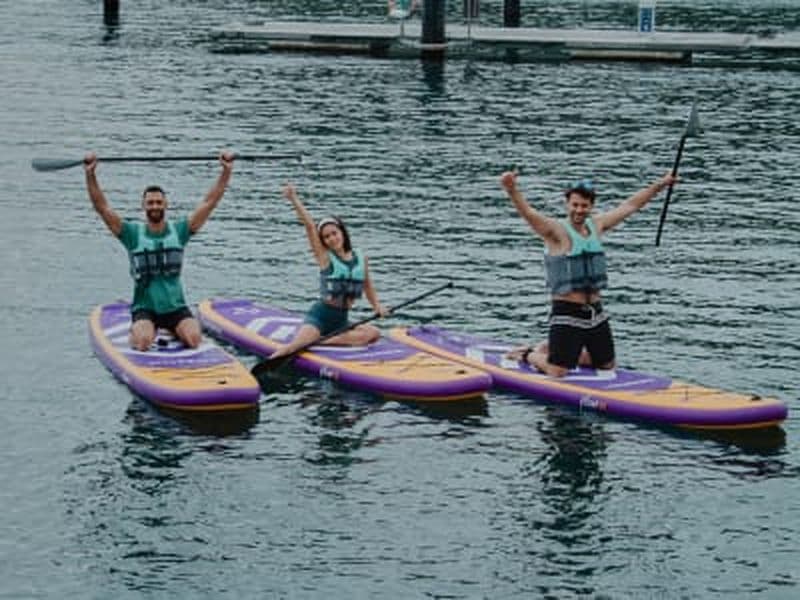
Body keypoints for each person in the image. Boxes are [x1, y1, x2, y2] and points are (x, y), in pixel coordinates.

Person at [499, 169, 678, 377]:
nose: (579, 210)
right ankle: (527, 353)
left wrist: (662, 184)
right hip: (566, 313)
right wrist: (512, 190)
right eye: (575, 205)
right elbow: (529, 214)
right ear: (568, 204)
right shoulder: (555, 231)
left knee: (607, 367)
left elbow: (630, 205)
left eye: (584, 206)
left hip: (595, 313)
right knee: (558, 371)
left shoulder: (597, 225)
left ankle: (552, 348)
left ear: (591, 206)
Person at [84, 150, 234, 351]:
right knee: (143, 342)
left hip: (175, 308)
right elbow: (102, 207)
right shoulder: (131, 234)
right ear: (143, 206)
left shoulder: (180, 231)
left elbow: (210, 202)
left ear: (166, 205)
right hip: (145, 309)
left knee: (194, 339)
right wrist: (90, 174)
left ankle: (172, 330)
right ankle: (138, 332)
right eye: (150, 203)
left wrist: (226, 172)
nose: (155, 206)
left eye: (159, 202)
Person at [267, 182, 389, 360]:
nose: (332, 238)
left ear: (342, 232)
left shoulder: (361, 257)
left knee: (373, 333)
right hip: (320, 317)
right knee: (295, 347)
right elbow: (309, 226)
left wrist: (377, 306)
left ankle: (321, 342)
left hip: (342, 320)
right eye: (326, 236)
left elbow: (368, 287)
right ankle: (271, 361)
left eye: (334, 233)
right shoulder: (325, 259)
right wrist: (294, 199)